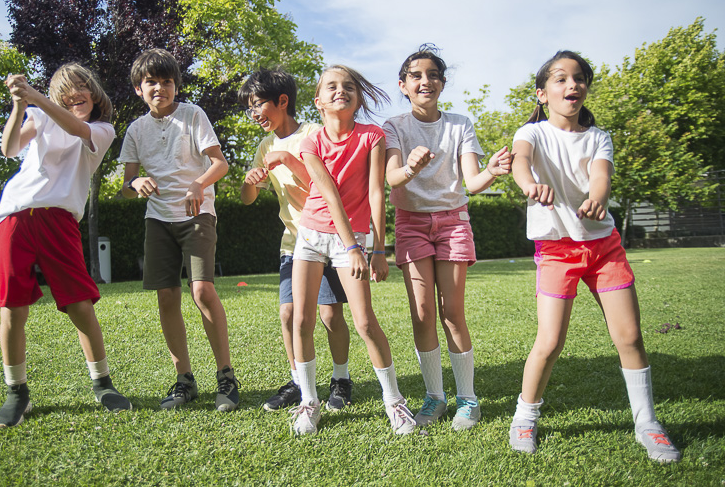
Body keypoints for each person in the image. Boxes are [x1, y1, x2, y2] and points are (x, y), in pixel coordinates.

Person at [508, 50, 681, 463]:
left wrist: (596, 199)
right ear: (543, 92)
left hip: (604, 248)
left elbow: (600, 176)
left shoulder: (598, 136)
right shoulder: (531, 133)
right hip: (556, 251)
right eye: (561, 79)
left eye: (579, 78)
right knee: (549, 342)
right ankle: (524, 417)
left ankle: (647, 423)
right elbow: (520, 163)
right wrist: (531, 186)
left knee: (631, 337)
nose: (573, 85)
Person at [0, 63, 132, 428]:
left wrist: (36, 97)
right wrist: (21, 106)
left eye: (83, 85)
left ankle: (102, 383)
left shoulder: (102, 129)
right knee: (13, 307)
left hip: (59, 219)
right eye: (67, 90)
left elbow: (76, 128)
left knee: (79, 304)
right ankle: (16, 392)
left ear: (94, 91)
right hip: (15, 216)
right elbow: (9, 149)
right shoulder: (38, 116)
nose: (76, 94)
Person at [383, 44, 511, 430]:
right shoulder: (394, 127)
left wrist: (492, 170)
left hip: (454, 223)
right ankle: (435, 397)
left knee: (452, 313)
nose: (426, 81)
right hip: (411, 223)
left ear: (442, 83)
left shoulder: (460, 124)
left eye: (434, 75)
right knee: (422, 314)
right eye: (417, 75)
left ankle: (468, 399)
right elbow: (391, 180)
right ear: (403, 85)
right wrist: (410, 166)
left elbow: (472, 182)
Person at [290, 64, 416, 435]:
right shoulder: (310, 142)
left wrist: (377, 248)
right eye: (331, 86)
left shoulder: (372, 137)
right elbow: (328, 195)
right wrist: (353, 245)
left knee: (364, 322)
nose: (340, 90)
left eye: (348, 86)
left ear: (358, 98)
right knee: (302, 320)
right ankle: (309, 402)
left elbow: (378, 191)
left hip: (355, 240)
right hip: (313, 235)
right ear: (318, 101)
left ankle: (394, 401)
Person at [119, 48, 239, 412]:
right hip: (157, 220)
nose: (160, 88)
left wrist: (198, 184)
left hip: (197, 215)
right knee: (167, 297)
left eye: (167, 81)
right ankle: (184, 380)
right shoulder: (136, 130)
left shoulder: (192, 115)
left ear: (176, 85)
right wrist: (136, 182)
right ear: (139, 90)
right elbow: (125, 186)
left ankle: (226, 377)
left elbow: (220, 164)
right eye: (151, 82)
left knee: (202, 290)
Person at [238, 69, 354, 411]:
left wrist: (289, 160)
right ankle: (299, 381)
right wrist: (249, 180)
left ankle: (341, 379)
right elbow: (248, 199)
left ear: (283, 101)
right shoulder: (265, 145)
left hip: (327, 238)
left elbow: (327, 188)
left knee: (330, 315)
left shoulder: (315, 134)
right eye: (249, 109)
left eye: (257, 105)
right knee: (288, 314)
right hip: (293, 243)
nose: (254, 114)